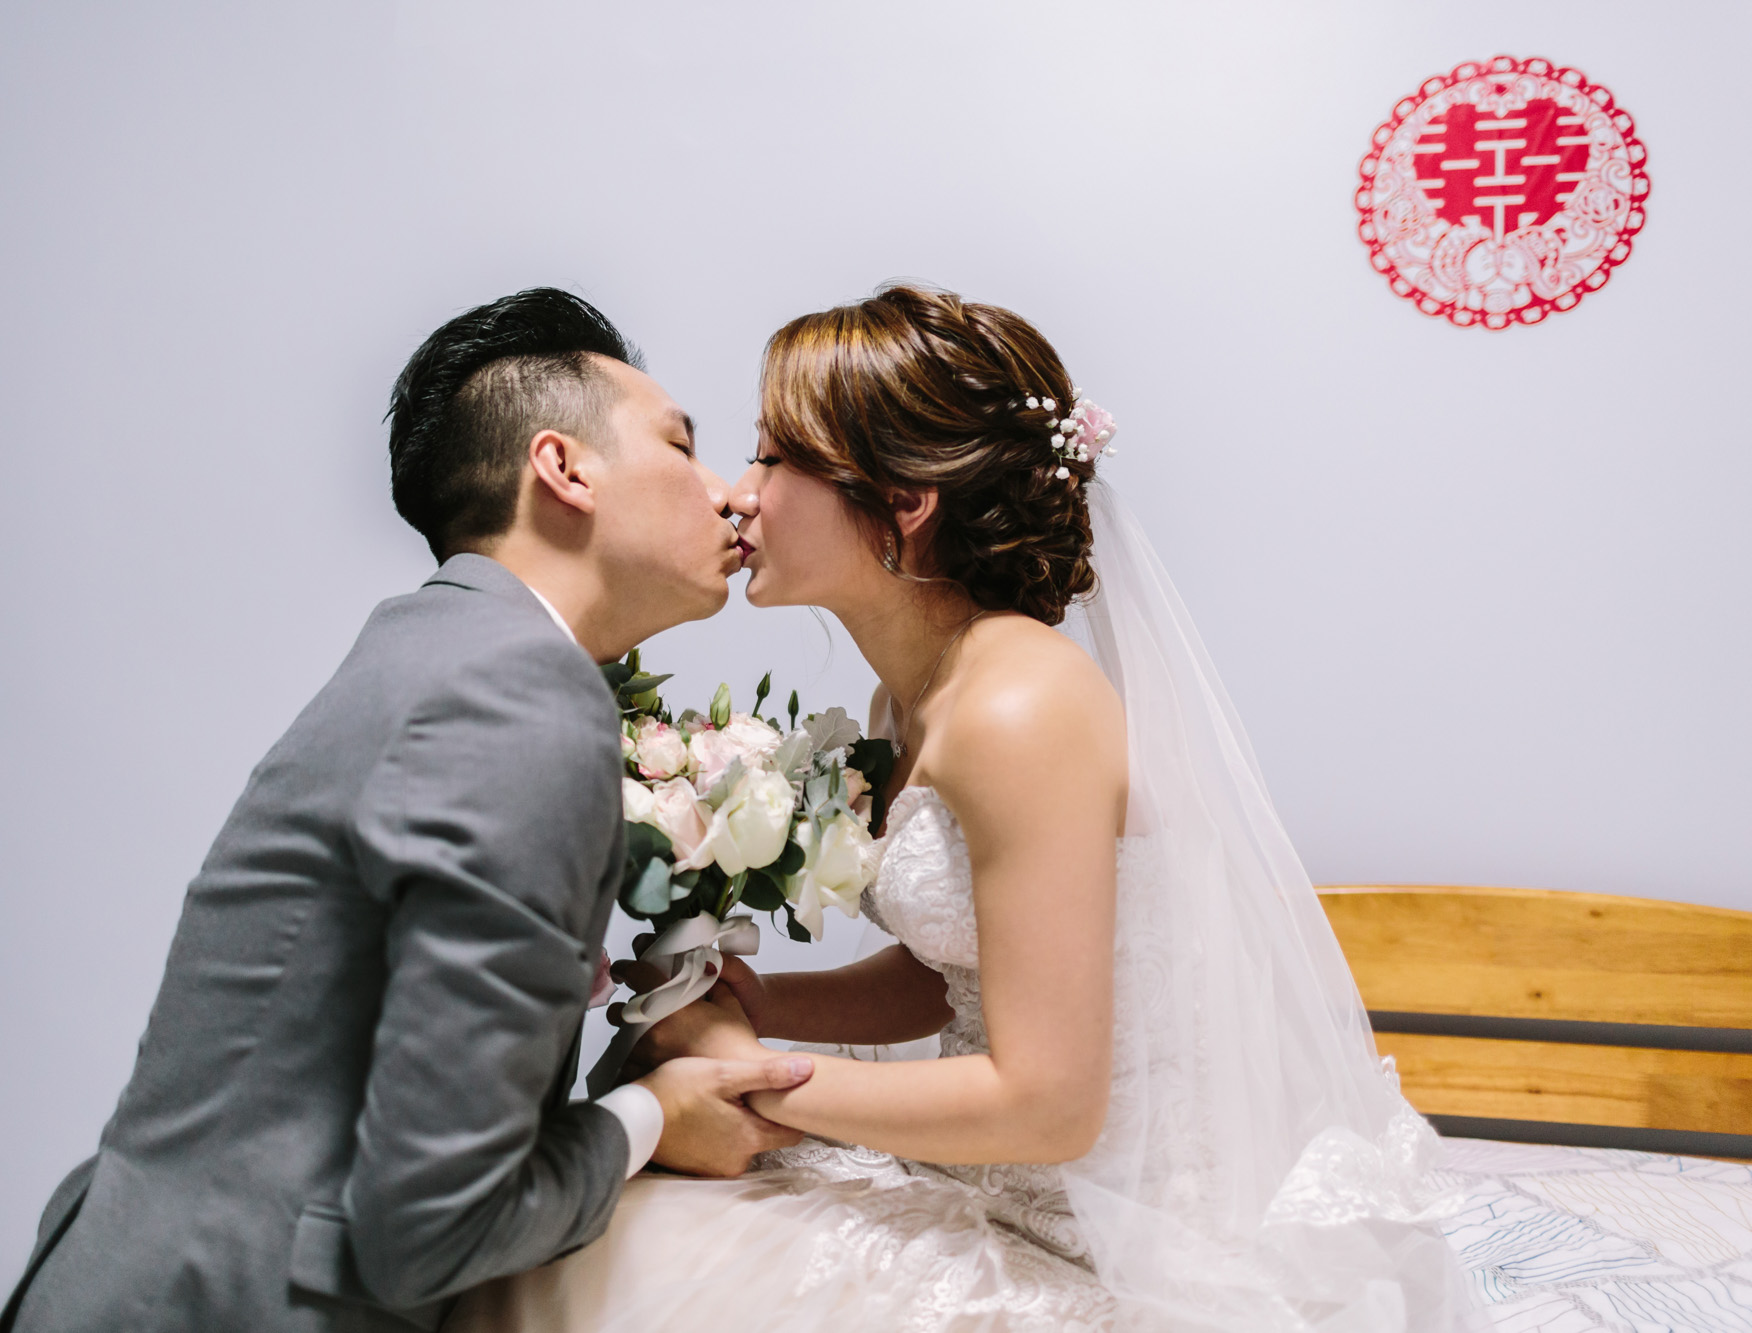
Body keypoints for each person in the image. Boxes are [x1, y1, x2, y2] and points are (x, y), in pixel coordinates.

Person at [448, 285, 1482, 1332]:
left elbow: (1050, 1104)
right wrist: (757, 1003)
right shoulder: (911, 696)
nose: (738, 496)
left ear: (904, 502)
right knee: (601, 1227)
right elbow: (955, 976)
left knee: (610, 1251)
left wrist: (752, 1079)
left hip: (1121, 1230)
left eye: (773, 458)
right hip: (999, 1179)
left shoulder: (1019, 708)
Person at [0, 288, 816, 1333]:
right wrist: (651, 1115)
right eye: (680, 445)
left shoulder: (437, 649)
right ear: (563, 469)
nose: (727, 493)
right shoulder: (517, 694)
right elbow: (433, 1226)